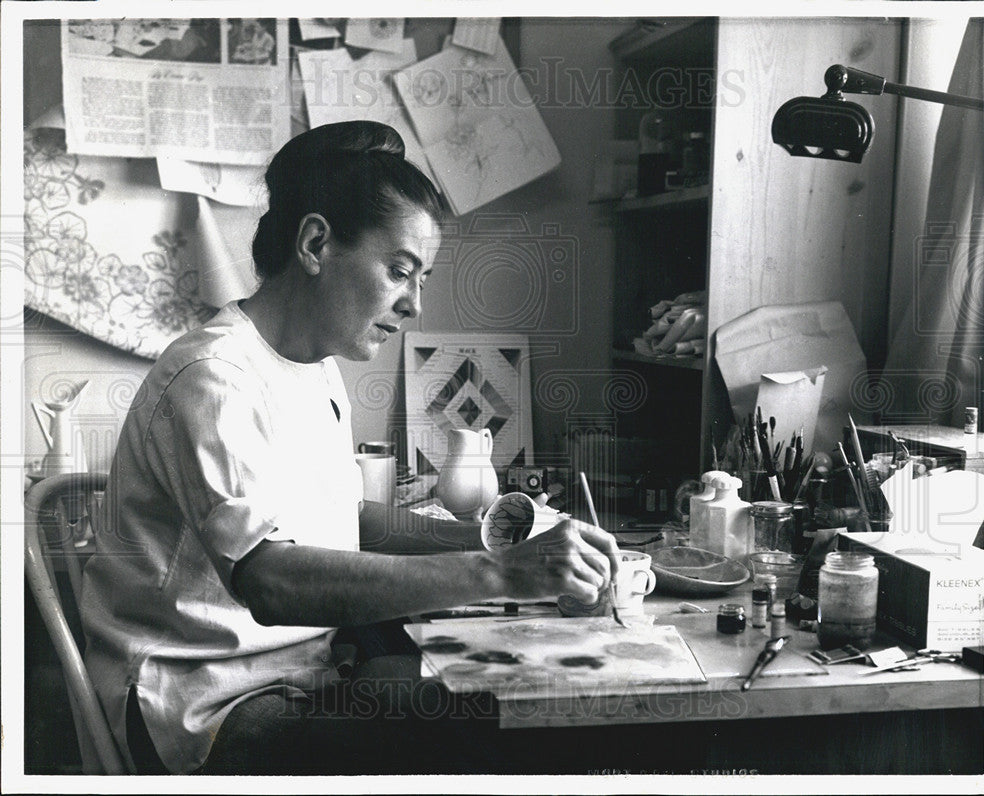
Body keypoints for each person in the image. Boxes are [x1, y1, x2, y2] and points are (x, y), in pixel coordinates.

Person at [80, 121, 621, 775]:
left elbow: (348, 522)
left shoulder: (314, 366)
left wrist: (494, 542)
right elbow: (270, 581)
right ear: (316, 243)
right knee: (495, 742)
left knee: (509, 709)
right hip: (205, 708)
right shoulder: (213, 378)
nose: (415, 304)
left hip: (297, 675)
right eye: (400, 271)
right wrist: (505, 575)